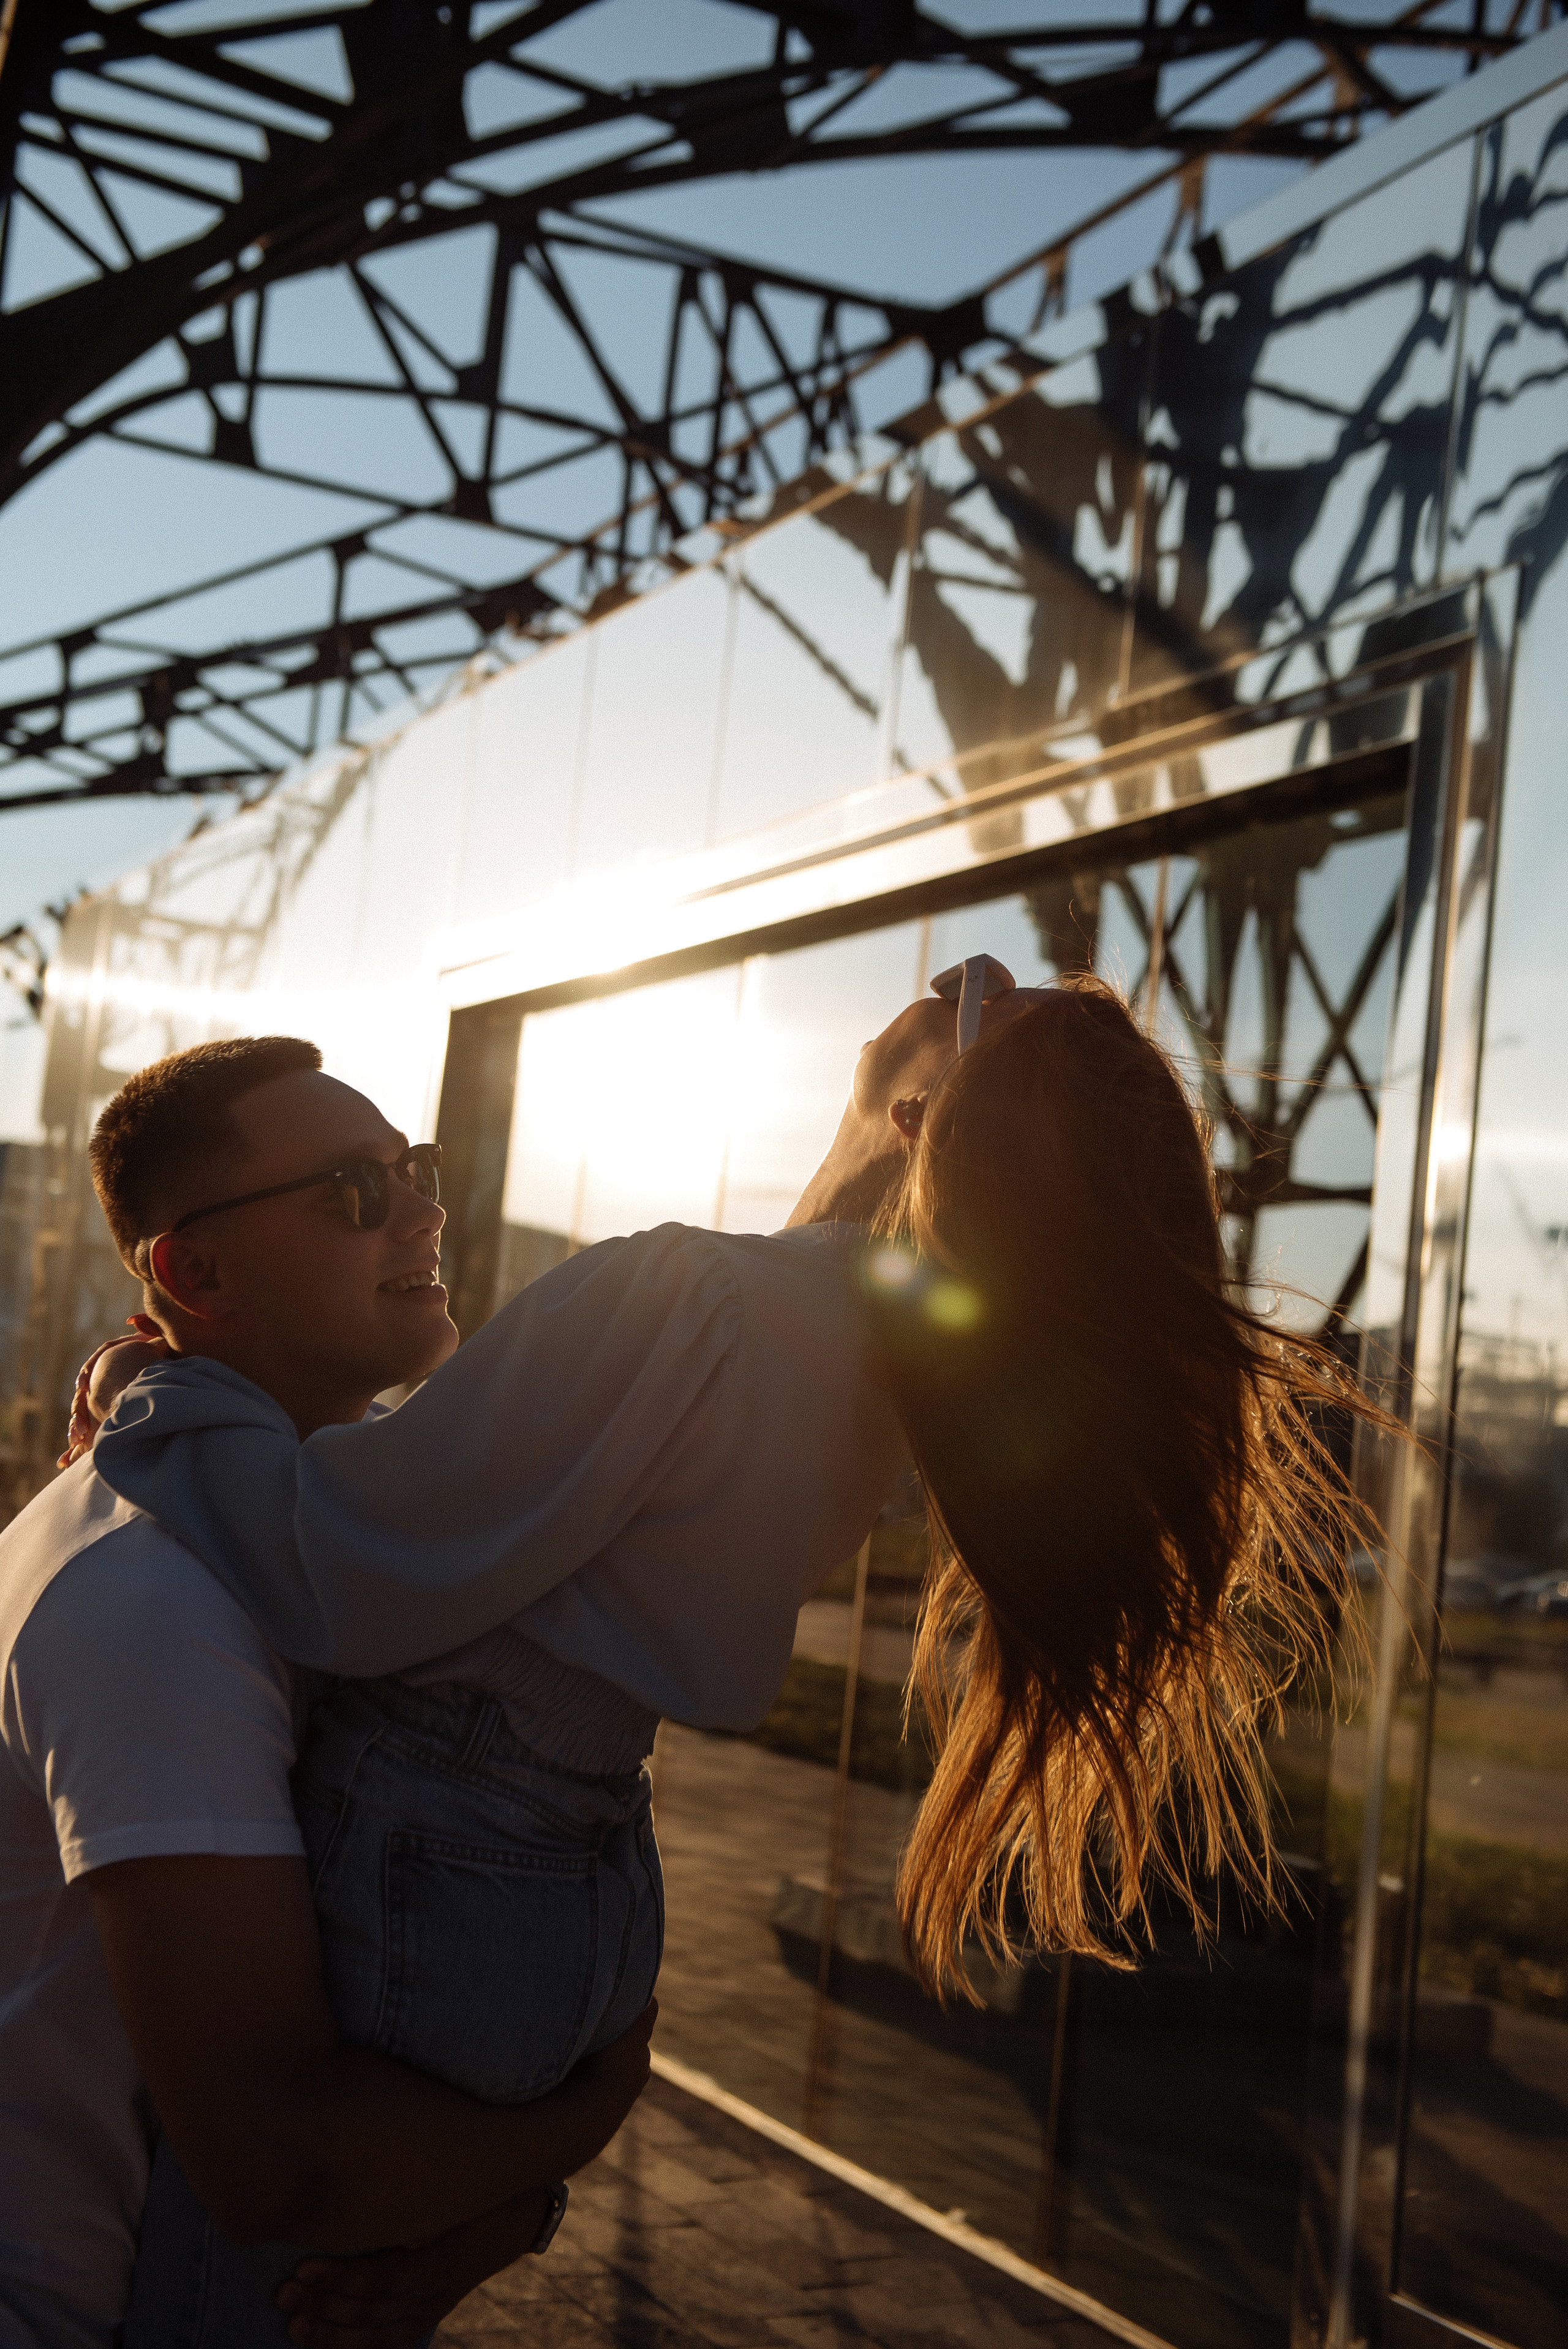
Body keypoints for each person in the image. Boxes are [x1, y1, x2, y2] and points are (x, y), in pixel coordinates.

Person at [86, 959, 1390, 2315]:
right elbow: (787, 1280)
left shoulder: (685, 1298)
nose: (976, 970)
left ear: (921, 1122)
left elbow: (328, 1559)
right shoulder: (882, 1364)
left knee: (228, 2298)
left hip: (434, 1831)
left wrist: (148, 1393)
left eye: (998, 1010)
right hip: (574, 1879)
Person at [0, 1038, 660, 2349]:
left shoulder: (336, 1542)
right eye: (355, 1189)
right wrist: (560, 2137)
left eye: (411, 1170)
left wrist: (498, 2202)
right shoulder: (155, 1598)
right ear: (196, 1273)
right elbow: (281, 2165)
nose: (424, 1208)